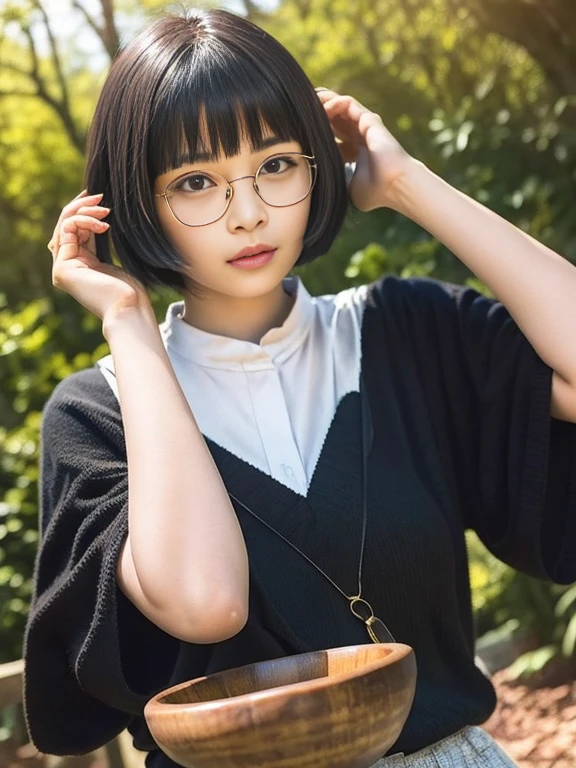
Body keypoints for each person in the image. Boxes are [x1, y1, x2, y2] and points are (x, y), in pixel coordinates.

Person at [22, 7, 576, 768]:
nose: (248, 213)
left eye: (277, 164)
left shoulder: (402, 333)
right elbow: (207, 601)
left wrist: (409, 184)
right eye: (195, 182)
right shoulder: (101, 412)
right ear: (138, 203)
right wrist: (127, 319)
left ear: (318, 163)